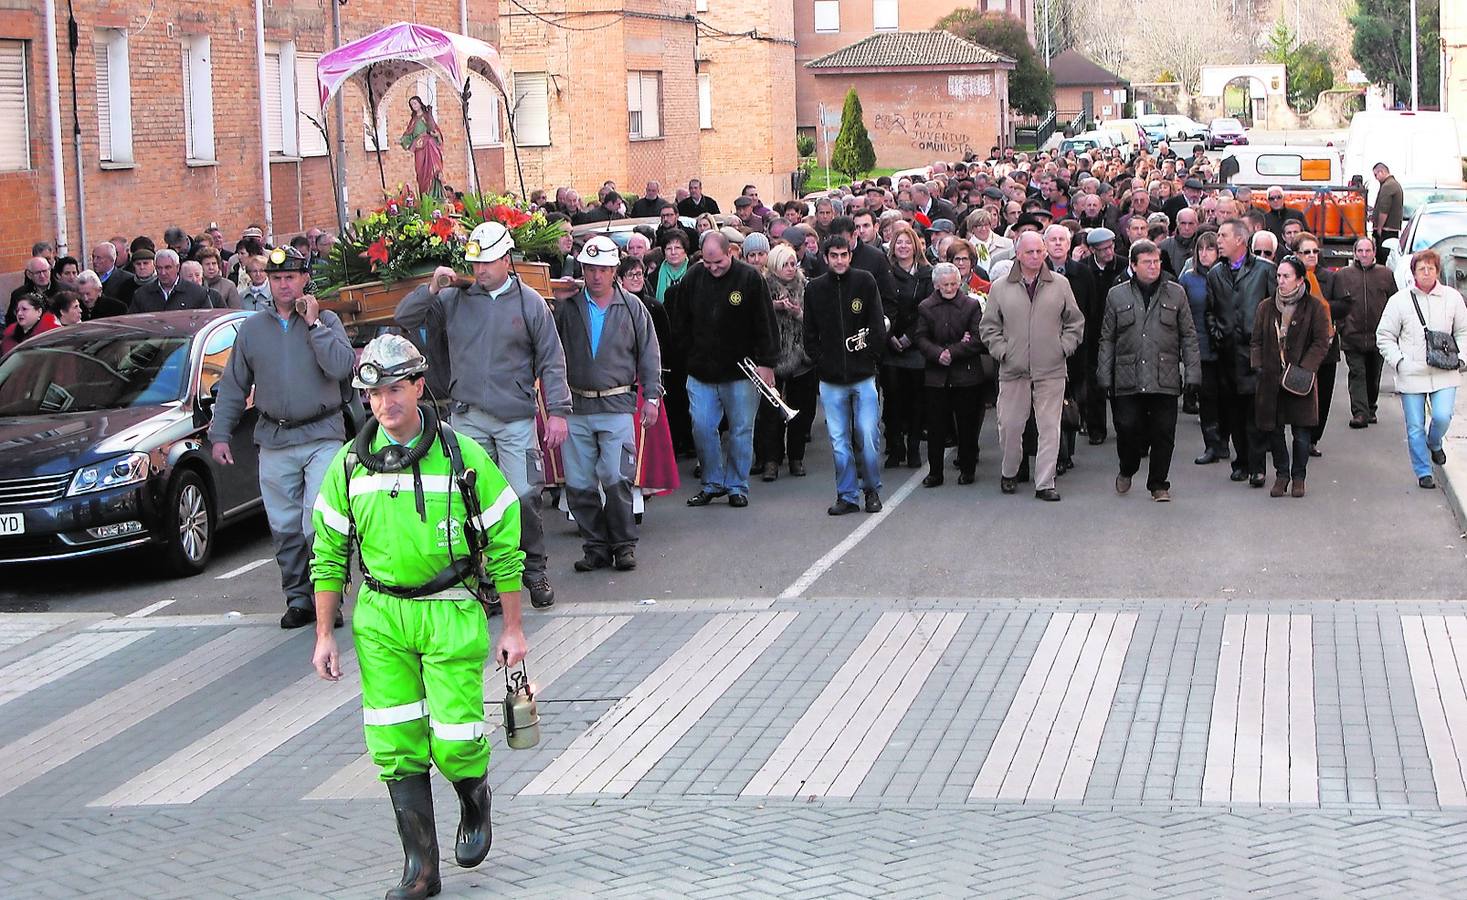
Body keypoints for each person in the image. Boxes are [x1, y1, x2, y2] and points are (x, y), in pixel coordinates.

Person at [309, 335, 527, 900]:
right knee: (395, 741)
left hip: (449, 608)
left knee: (455, 739)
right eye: (375, 392)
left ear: (419, 387)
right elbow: (328, 554)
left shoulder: (461, 455)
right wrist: (324, 634)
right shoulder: (349, 463)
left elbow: (505, 540)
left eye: (396, 388)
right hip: (381, 617)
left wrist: (512, 626)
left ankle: (474, 798)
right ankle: (421, 870)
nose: (385, 402)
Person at [396, 222, 570, 610]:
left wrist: (557, 411)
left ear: (507, 259)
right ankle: (487, 577)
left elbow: (552, 360)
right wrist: (431, 288)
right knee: (473, 500)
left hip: (515, 418)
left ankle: (533, 570)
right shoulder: (454, 299)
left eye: (488, 261)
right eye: (475, 262)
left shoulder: (530, 303)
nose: (480, 270)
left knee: (524, 496)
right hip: (468, 416)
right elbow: (405, 317)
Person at [209, 246, 355, 628]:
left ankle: (327, 600)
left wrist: (313, 326)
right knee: (285, 526)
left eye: (290, 277)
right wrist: (220, 433)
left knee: (317, 524)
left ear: (305, 279)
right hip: (274, 437)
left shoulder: (326, 321)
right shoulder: (253, 329)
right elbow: (233, 385)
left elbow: (342, 367)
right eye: (276, 279)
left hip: (321, 434)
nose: (283, 285)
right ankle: (298, 599)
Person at [552, 236, 662, 572]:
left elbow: (649, 352)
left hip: (616, 404)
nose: (595, 276)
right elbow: (549, 351)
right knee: (580, 483)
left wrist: (653, 396)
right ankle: (595, 546)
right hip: (577, 406)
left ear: (614, 270)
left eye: (602, 269)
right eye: (589, 268)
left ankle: (623, 544)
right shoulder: (568, 308)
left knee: (617, 478)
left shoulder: (632, 307)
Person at [668, 231, 778, 508]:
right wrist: (689, 354)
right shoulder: (693, 277)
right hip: (701, 370)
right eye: (707, 263)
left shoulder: (750, 278)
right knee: (702, 427)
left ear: (730, 252)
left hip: (741, 372)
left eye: (718, 262)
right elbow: (680, 321)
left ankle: (737, 485)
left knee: (741, 429)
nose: (713, 268)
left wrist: (767, 363)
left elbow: (766, 323)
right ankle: (712, 482)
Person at [979, 232, 1085, 501]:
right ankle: (1009, 471)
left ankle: (1045, 483)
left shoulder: (1060, 285)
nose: (1036, 257)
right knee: (1010, 426)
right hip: (1013, 370)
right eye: (1030, 252)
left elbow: (1075, 322)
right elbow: (989, 327)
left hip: (1051, 370)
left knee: (1049, 427)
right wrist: (1003, 352)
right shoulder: (1001, 287)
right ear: (1018, 253)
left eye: (1040, 251)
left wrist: (1063, 348)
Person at [1097, 240, 1202, 501]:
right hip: (1127, 374)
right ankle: (1127, 467)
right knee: (1128, 427)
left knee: (1164, 432)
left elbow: (1188, 336)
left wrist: (1193, 373)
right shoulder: (1117, 294)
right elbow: (1107, 337)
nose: (1154, 266)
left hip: (1164, 374)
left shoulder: (1175, 293)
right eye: (1147, 262)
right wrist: (1103, 374)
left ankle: (1159, 484)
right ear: (1133, 265)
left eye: (1156, 261)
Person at [803, 235, 888, 514]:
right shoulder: (814, 289)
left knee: (867, 435)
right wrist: (821, 361)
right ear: (826, 258)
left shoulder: (865, 281)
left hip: (863, 376)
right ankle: (847, 495)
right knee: (839, 442)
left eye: (844, 255)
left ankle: (872, 489)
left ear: (850, 256)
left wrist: (871, 358)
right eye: (834, 256)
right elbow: (810, 333)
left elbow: (877, 324)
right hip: (830, 380)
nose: (839, 260)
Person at [1376, 249, 1467, 489]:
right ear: (1413, 272)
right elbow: (1385, 335)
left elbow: (1463, 331)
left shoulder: (1452, 298)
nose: (1426, 272)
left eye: (1431, 268)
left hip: (1445, 371)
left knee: (1441, 416)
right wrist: (1399, 361)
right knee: (1415, 426)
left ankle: (1435, 444)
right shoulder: (1400, 301)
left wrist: (1462, 359)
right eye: (1421, 268)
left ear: (1438, 271)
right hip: (1412, 374)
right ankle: (1423, 471)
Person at [1251, 254, 1331, 497]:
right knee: (1274, 430)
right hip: (1271, 379)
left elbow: (1321, 342)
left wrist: (1305, 369)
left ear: (1299, 280)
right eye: (1278, 276)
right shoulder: (1266, 306)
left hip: (1300, 379)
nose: (1281, 281)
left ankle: (1299, 476)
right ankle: (1281, 474)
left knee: (1301, 431)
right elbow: (1256, 341)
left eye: (1286, 276)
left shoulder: (1314, 307)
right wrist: (1260, 366)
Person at [1208, 218, 1276, 486]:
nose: (1218, 241)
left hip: (1256, 353)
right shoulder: (1216, 273)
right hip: (1228, 353)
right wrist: (1218, 334)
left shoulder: (1263, 270)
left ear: (1240, 240)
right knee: (1233, 412)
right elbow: (1211, 311)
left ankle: (1257, 466)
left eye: (1223, 236)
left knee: (1255, 412)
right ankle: (1241, 463)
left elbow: (1274, 308)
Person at [913, 262, 988, 486]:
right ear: (936, 285)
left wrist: (951, 352)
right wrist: (938, 354)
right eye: (945, 284)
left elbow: (977, 339)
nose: (949, 288)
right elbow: (921, 338)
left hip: (966, 375)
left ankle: (967, 468)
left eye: (954, 284)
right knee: (936, 427)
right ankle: (935, 472)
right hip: (937, 376)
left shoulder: (971, 305)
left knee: (967, 425)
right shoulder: (926, 307)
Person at [757, 243, 817, 480]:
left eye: (793, 263)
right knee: (771, 414)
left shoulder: (806, 287)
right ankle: (771, 460)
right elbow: (757, 319)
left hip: (802, 359)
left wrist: (796, 313)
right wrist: (775, 307)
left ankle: (796, 458)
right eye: (785, 264)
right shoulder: (762, 287)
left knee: (801, 411)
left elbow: (815, 321)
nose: (790, 268)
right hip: (773, 359)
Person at [1328, 237, 1397, 428]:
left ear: (1374, 252)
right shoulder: (1343, 276)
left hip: (1379, 336)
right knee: (1357, 373)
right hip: (1352, 335)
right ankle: (1359, 413)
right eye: (1360, 251)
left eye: (1368, 251)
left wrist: (1392, 330)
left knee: (1373, 375)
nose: (1364, 255)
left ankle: (1370, 407)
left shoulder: (1386, 274)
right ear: (1355, 253)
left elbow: (1395, 303)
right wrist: (1342, 326)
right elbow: (1336, 304)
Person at [883, 222, 932, 469]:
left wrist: (910, 337)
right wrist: (890, 335)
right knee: (893, 400)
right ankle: (895, 446)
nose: (903, 246)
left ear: (915, 246)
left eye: (907, 242)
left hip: (916, 344)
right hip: (890, 343)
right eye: (898, 242)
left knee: (916, 400)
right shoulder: (886, 273)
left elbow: (928, 309)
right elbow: (881, 306)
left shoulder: (926, 274)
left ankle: (913, 447)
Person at [1181, 232, 1229, 464]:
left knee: (1228, 395)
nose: (1204, 253)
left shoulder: (1228, 275)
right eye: (1200, 249)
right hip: (1199, 344)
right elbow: (1182, 313)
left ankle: (1225, 441)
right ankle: (1212, 444)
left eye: (1209, 249)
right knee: (1207, 397)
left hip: (1226, 345)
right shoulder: (1189, 279)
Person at [1293, 233, 1338, 452]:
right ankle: (1301, 438)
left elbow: (1344, 304)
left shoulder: (1329, 277)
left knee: (1324, 395)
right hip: (1301, 348)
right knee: (1302, 393)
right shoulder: (1290, 276)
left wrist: (1325, 309)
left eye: (1314, 251)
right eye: (1306, 252)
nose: (1312, 256)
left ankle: (1313, 440)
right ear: (1296, 255)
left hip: (1327, 346)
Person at [129, 249, 212, 312]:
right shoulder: (142, 295)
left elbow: (207, 321)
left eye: (168, 268)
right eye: (159, 268)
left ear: (177, 267)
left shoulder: (197, 293)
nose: (163, 273)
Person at [399, 95, 444, 199]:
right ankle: (424, 195)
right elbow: (409, 134)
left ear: (420, 103)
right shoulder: (413, 120)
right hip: (419, 148)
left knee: (432, 171)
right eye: (411, 105)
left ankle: (434, 196)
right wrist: (402, 140)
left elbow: (433, 129)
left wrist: (430, 114)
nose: (414, 106)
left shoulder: (426, 116)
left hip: (429, 145)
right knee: (420, 172)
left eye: (415, 103)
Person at [7, 257, 54, 325]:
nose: (42, 276)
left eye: (45, 271)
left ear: (50, 270)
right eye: (38, 273)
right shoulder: (18, 294)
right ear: (29, 275)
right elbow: (11, 321)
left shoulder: (64, 290)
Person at [1372, 162, 1404, 255]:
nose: (1376, 178)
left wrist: (1379, 228)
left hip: (1387, 230)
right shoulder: (1393, 184)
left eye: (1376, 174)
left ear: (1381, 172)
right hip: (1391, 229)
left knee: (1382, 258)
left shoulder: (1388, 186)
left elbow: (1384, 210)